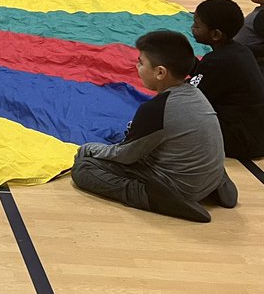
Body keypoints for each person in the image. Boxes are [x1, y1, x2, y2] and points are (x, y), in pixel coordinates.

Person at [71, 30, 236, 223]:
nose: (137, 67)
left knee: (83, 168)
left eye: (141, 63)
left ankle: (161, 200)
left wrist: (89, 148)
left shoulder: (157, 109)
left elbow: (125, 155)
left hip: (178, 187)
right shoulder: (195, 94)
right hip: (208, 180)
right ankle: (214, 186)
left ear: (160, 72)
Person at [189, 0, 264, 159]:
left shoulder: (216, 61)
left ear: (215, 34)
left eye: (197, 25)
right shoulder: (241, 50)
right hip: (262, 133)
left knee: (180, 117)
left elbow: (191, 98)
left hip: (244, 143)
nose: (192, 28)